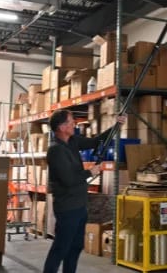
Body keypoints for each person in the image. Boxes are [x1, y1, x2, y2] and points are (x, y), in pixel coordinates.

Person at [43, 109, 126, 273]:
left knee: (75, 247)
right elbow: (68, 180)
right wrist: (90, 172)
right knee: (60, 248)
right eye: (70, 122)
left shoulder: (72, 141)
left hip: (79, 206)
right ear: (61, 127)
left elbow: (96, 141)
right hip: (67, 208)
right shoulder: (56, 150)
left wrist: (117, 124)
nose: (74, 124)